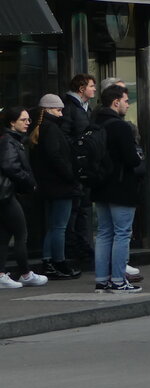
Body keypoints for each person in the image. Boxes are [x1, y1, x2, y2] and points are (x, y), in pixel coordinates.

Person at [91, 84, 144, 292]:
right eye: (125, 101)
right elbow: (131, 159)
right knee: (122, 233)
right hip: (121, 186)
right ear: (116, 102)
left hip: (100, 185)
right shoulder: (120, 126)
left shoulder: (95, 123)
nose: (127, 105)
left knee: (104, 233)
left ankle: (101, 280)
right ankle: (119, 280)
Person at [27, 94, 83, 280]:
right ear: (48, 110)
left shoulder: (40, 129)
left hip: (49, 185)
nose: (61, 114)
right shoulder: (51, 129)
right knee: (59, 226)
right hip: (60, 185)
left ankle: (49, 261)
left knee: (54, 226)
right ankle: (58, 262)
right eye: (58, 110)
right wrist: (70, 175)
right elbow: (55, 156)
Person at [0, 106, 47, 288]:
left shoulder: (12, 140)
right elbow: (10, 166)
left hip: (7, 194)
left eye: (28, 119)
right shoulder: (8, 141)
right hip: (6, 194)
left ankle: (2, 274)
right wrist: (29, 181)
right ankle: (25, 273)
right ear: (12, 122)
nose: (28, 123)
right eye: (23, 120)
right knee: (21, 232)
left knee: (5, 234)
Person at [61, 73, 97, 267]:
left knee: (83, 209)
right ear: (82, 88)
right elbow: (65, 136)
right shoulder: (70, 108)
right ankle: (73, 252)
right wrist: (79, 150)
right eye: (91, 86)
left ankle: (82, 250)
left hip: (84, 166)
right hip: (76, 166)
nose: (94, 89)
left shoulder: (85, 108)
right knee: (75, 211)